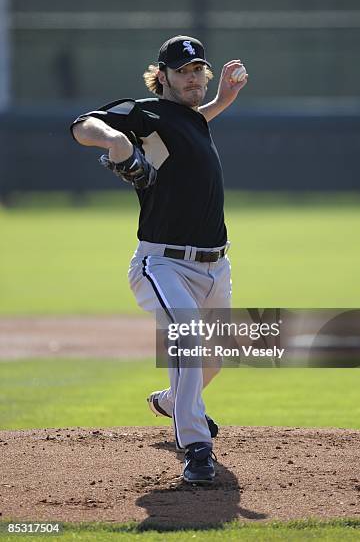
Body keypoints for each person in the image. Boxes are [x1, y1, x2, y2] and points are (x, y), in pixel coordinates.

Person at [70, 35, 248, 484]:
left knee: (214, 360)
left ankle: (171, 401)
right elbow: (82, 125)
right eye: (182, 71)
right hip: (162, 262)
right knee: (186, 335)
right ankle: (195, 446)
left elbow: (191, 123)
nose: (192, 78)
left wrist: (223, 101)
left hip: (216, 265)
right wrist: (115, 141)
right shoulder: (143, 114)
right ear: (162, 75)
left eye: (197, 71)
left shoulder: (191, 120)